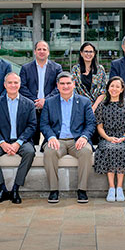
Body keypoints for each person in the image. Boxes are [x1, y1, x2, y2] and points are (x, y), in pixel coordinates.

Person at [40, 72, 96, 203]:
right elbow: (44, 124)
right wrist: (51, 137)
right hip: (57, 140)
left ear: (74, 84)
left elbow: (91, 123)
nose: (65, 86)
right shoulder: (49, 103)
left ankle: (82, 190)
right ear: (57, 86)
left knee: (86, 152)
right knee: (49, 152)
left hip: (77, 140)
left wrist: (84, 137)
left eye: (68, 83)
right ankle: (54, 190)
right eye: (62, 84)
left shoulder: (84, 102)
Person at [0, 72, 37, 205]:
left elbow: (32, 126)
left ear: (20, 84)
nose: (13, 85)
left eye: (16, 82)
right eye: (10, 82)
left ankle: (15, 189)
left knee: (30, 152)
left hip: (21, 141)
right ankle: (2, 189)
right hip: (1, 141)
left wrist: (18, 143)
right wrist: (2, 143)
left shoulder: (29, 104)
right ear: (5, 85)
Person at [94, 76, 125, 202]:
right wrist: (108, 138)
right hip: (106, 137)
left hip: (123, 137)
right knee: (109, 149)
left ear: (122, 89)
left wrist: (124, 137)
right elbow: (99, 127)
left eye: (117, 86)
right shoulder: (102, 105)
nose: (114, 89)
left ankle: (119, 187)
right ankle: (111, 187)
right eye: (112, 86)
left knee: (122, 149)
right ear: (108, 88)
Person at [20, 40, 63, 144]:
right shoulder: (25, 68)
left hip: (50, 109)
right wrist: (35, 101)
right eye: (39, 49)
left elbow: (59, 87)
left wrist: (45, 101)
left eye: (44, 49)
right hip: (31, 109)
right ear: (35, 52)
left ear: (48, 52)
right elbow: (22, 87)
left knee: (51, 141)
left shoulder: (57, 68)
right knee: (32, 142)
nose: (41, 51)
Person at [70, 41, 108, 111]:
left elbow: (103, 91)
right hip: (80, 108)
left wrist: (93, 108)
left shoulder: (100, 69)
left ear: (94, 54)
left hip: (97, 108)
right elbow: (74, 90)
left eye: (91, 52)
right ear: (81, 53)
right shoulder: (75, 69)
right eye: (86, 51)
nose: (88, 54)